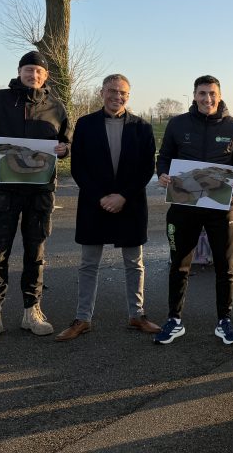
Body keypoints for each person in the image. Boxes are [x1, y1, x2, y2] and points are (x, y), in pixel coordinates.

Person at [0, 51, 72, 344]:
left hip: (39, 193)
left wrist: (64, 149)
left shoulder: (56, 106)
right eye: (28, 69)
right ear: (19, 71)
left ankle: (31, 310)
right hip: (3, 192)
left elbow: (66, 141)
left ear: (45, 76)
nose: (33, 75)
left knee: (36, 254)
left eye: (38, 71)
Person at [55, 74, 160, 341]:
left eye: (123, 92)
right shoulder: (86, 124)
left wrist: (122, 196)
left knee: (134, 263)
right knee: (88, 264)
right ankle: (82, 318)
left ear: (129, 95)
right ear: (101, 92)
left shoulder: (143, 127)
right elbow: (78, 167)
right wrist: (101, 196)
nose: (117, 96)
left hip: (131, 203)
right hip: (94, 204)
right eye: (112, 91)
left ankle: (137, 314)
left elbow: (147, 168)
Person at [154, 76, 233, 345]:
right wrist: (161, 173)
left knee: (226, 267)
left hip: (222, 209)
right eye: (203, 93)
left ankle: (224, 321)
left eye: (212, 94)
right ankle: (174, 320)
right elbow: (164, 157)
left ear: (220, 95)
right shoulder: (177, 124)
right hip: (184, 207)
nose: (208, 99)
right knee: (179, 265)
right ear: (194, 95)